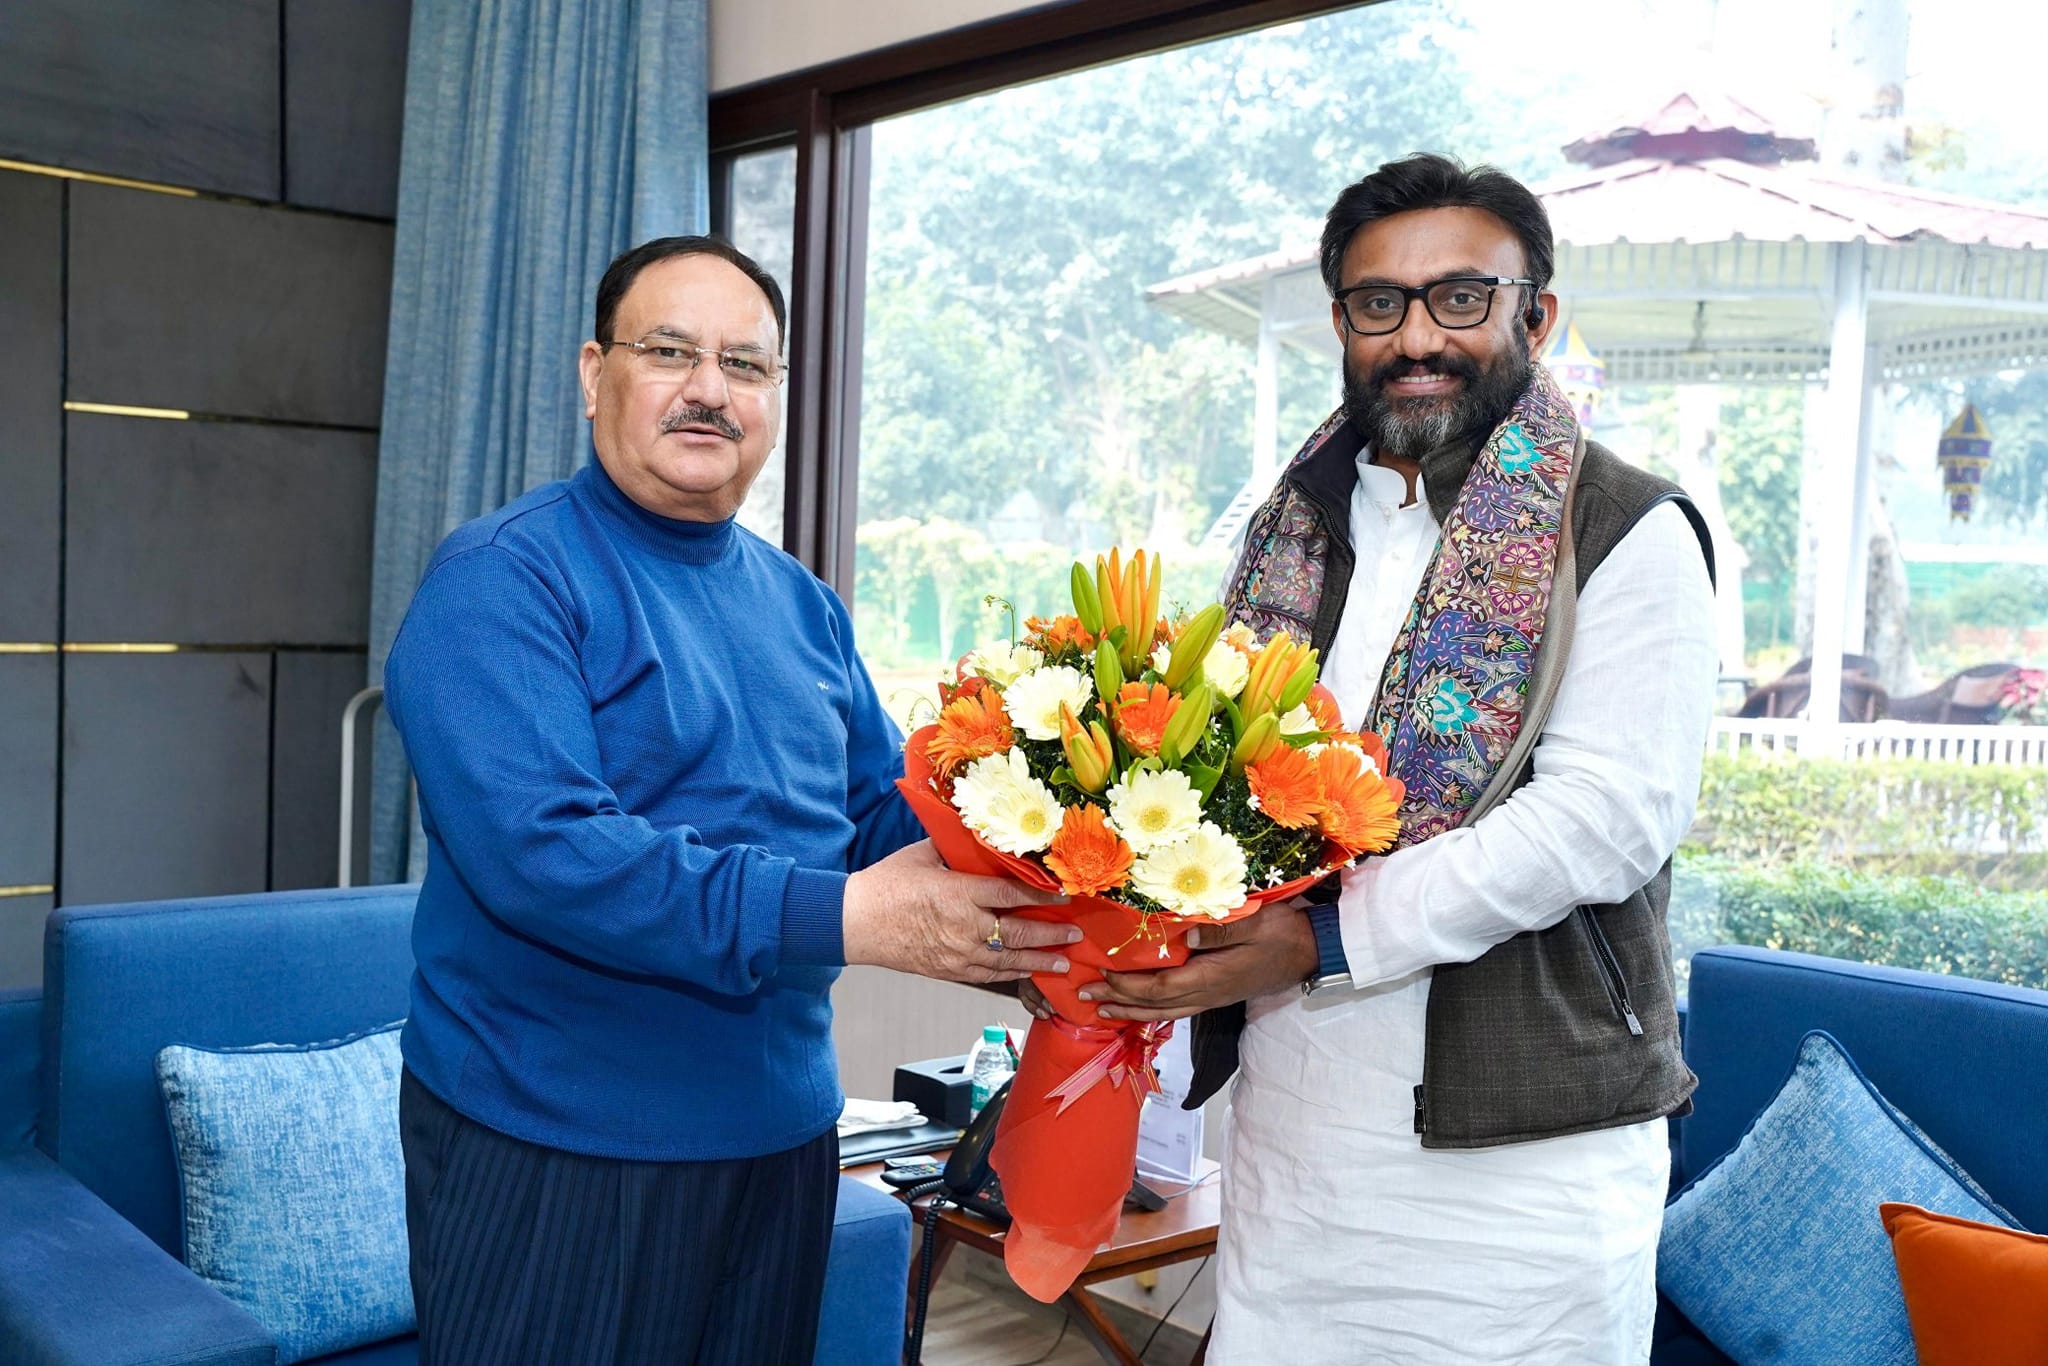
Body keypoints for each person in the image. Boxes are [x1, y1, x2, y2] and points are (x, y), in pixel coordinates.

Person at [1027, 155, 1718, 1361]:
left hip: (1520, 1163)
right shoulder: (1292, 525)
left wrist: (1326, 937)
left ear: (1533, 316)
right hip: (1292, 1132)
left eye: (1460, 297)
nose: (1416, 337)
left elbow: (1606, 818)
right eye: (1377, 302)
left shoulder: (1624, 526)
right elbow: (1221, 788)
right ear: (1341, 319)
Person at [382, 235, 1076, 1365]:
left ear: (774, 399)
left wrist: (1069, 862)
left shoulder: (805, 607)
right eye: (670, 351)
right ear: (594, 374)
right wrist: (847, 915)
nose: (708, 388)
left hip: (779, 1137)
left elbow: (881, 819)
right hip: (558, 1142)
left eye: (745, 364)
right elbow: (547, 857)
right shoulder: (502, 576)